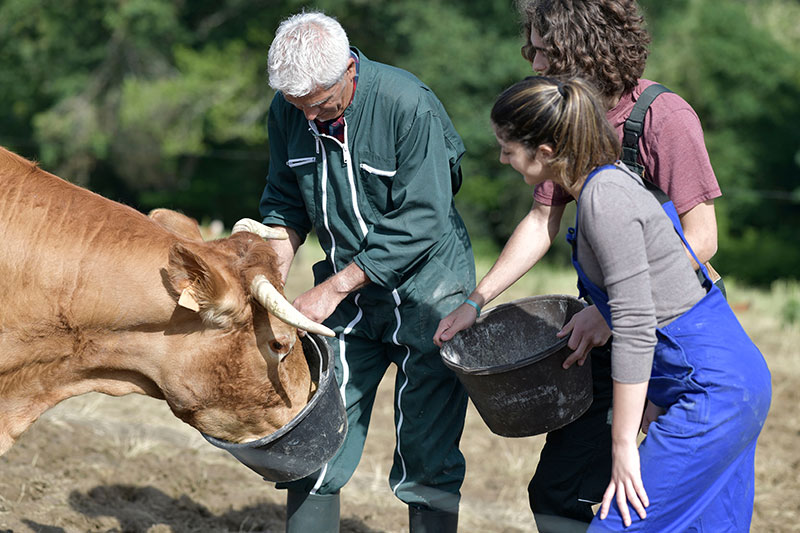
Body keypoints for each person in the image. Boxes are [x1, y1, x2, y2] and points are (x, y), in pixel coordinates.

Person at [434, 1, 723, 530]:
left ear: (581, 48)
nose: (535, 63)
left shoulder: (664, 117)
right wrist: (477, 300)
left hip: (671, 339)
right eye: (532, 50)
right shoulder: (563, 120)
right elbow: (543, 219)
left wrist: (611, 313)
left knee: (653, 500)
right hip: (606, 336)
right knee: (558, 490)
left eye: (543, 51)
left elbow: (703, 239)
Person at [489, 74, 771, 531]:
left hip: (710, 389)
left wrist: (622, 448)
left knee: (620, 524)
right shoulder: (605, 186)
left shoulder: (604, 200)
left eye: (506, 147)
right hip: (725, 380)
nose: (502, 158)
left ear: (544, 153)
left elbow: (636, 324)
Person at [259, 11, 475, 533]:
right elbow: (285, 202)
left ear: (348, 72)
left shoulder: (408, 104)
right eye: (296, 106)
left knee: (428, 452)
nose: (307, 118)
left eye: (318, 105)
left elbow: (423, 216)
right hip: (348, 304)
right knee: (314, 438)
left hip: (430, 294)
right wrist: (270, 273)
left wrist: (334, 287)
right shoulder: (289, 110)